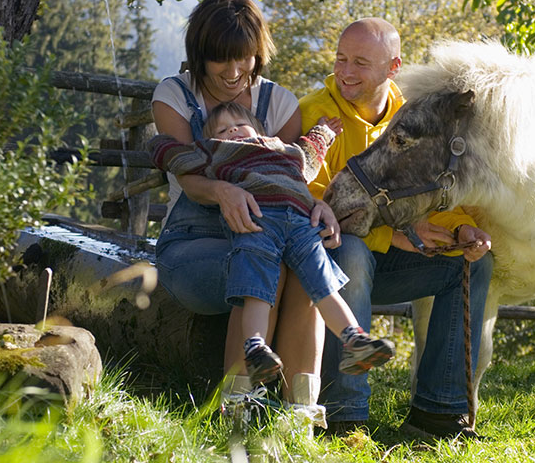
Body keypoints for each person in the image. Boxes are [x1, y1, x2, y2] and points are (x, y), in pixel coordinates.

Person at [299, 18, 494, 438]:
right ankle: (344, 414)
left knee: (473, 263)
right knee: (350, 249)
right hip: (328, 271)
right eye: (340, 59)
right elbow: (314, 213)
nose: (345, 72)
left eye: (360, 63)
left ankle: (439, 413)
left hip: (388, 266)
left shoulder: (415, 118)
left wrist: (462, 229)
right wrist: (398, 236)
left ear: (393, 67)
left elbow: (434, 188)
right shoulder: (315, 114)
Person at [151, 0, 335, 403]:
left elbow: (292, 181)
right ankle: (237, 406)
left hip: (266, 236)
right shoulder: (174, 97)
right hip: (194, 243)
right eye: (221, 58)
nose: (234, 71)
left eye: (245, 57)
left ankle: (298, 412)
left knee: (302, 265)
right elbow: (187, 173)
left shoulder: (280, 104)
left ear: (258, 52)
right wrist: (223, 191)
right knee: (265, 263)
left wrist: (317, 203)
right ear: (200, 54)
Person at [150, 102, 395, 387]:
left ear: (258, 129)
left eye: (239, 125)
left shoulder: (283, 149)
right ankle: (255, 347)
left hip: (302, 224)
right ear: (212, 140)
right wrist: (159, 143)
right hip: (257, 223)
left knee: (322, 282)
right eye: (223, 130)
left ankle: (354, 340)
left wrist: (324, 132)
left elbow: (309, 153)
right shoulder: (216, 152)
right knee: (258, 286)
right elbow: (179, 157)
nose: (233, 131)